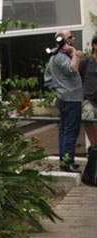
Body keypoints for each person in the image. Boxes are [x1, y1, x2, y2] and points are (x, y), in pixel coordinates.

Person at [44, 29, 83, 172]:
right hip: (70, 100)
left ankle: (65, 161)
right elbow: (73, 69)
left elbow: (48, 78)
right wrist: (73, 52)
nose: (73, 39)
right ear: (64, 41)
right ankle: (67, 163)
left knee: (64, 131)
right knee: (71, 132)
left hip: (65, 99)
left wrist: (59, 88)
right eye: (70, 37)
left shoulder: (55, 57)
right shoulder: (61, 57)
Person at [79, 35, 97, 150]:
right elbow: (76, 80)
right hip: (89, 100)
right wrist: (81, 99)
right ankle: (94, 147)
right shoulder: (86, 61)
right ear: (95, 46)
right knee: (87, 117)